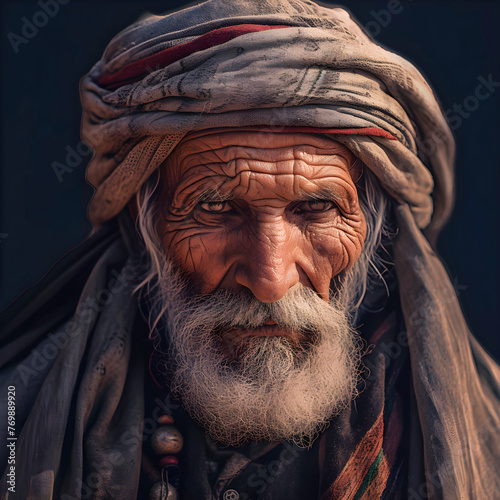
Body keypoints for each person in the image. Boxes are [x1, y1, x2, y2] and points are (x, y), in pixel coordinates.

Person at [1, 0, 499, 498]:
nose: (270, 278)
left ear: (373, 227)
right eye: (216, 208)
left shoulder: (488, 434)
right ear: (143, 222)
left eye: (316, 208)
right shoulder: (14, 420)